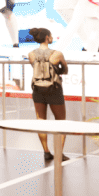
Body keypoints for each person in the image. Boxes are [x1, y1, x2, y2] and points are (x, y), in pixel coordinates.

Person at [27, 27, 68, 163]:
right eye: (51, 36)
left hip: (38, 89)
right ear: (47, 38)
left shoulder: (31, 54)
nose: (52, 38)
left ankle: (46, 151)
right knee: (61, 121)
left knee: (41, 121)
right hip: (54, 89)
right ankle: (59, 153)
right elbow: (65, 70)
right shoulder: (57, 54)